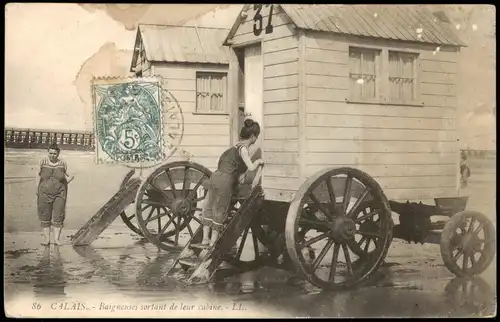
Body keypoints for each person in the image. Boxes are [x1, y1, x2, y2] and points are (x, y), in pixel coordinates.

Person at [199, 119, 264, 247]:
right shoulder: (243, 149)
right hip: (225, 180)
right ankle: (213, 242)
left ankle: (205, 239)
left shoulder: (234, 147)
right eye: (257, 136)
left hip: (215, 176)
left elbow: (223, 163)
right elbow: (251, 167)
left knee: (210, 206)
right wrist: (259, 162)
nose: (256, 139)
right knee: (221, 208)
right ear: (252, 136)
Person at [36, 143, 74, 245]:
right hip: (44, 193)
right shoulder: (43, 162)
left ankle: (56, 240)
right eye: (51, 153)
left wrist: (64, 184)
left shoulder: (62, 163)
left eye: (55, 153)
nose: (52, 155)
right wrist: (37, 188)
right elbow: (38, 175)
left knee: (59, 215)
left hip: (59, 194)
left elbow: (71, 175)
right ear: (48, 152)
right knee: (45, 215)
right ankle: (47, 240)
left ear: (58, 154)